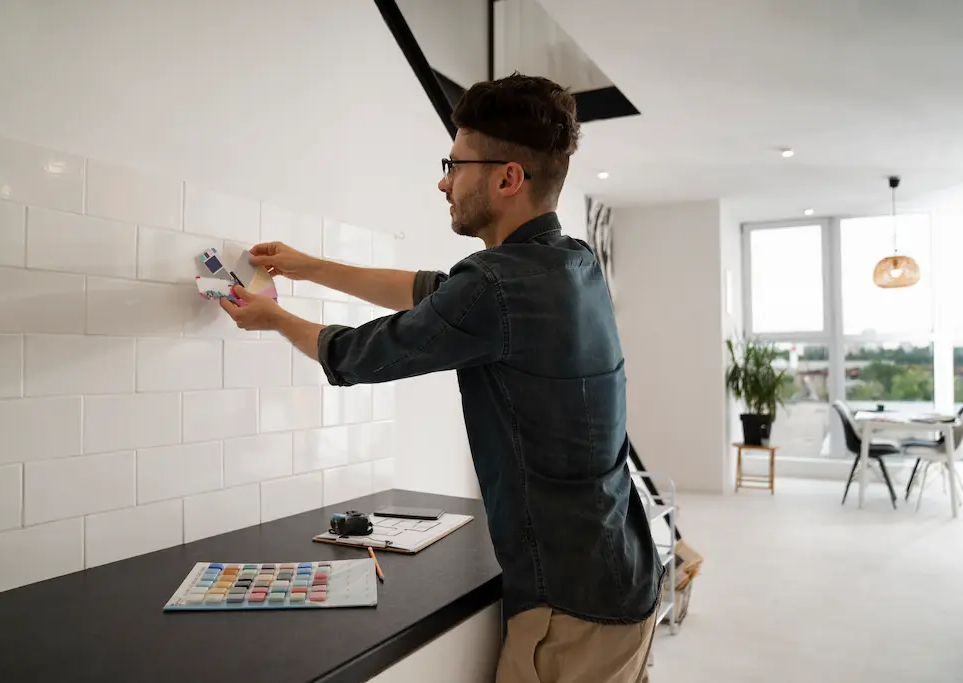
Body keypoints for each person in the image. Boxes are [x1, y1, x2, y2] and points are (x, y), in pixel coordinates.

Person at [221, 73, 664, 683]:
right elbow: (433, 291)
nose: (443, 180)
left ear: (508, 177)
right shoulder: (573, 262)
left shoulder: (496, 286)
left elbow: (354, 355)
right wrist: (310, 267)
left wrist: (272, 318)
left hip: (571, 607)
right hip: (625, 574)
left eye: (454, 164)